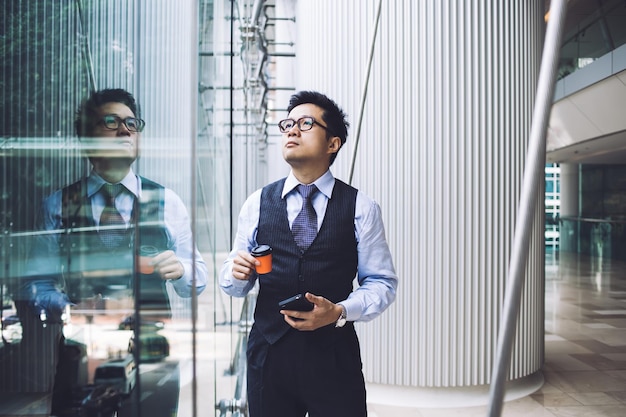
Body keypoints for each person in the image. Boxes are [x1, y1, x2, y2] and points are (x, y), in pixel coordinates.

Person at [5, 88, 207, 415]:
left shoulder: (166, 201)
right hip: (83, 354)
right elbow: (33, 284)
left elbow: (198, 280)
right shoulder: (57, 205)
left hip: (152, 356)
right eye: (111, 122)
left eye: (132, 123)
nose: (125, 130)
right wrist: (71, 308)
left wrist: (182, 270)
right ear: (86, 138)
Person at [220, 90, 398, 416]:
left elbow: (382, 283)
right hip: (268, 355)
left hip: (333, 356)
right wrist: (236, 272)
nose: (292, 130)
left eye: (305, 123)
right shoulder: (257, 202)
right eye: (287, 123)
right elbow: (234, 282)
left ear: (333, 143)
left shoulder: (361, 207)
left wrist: (340, 311)